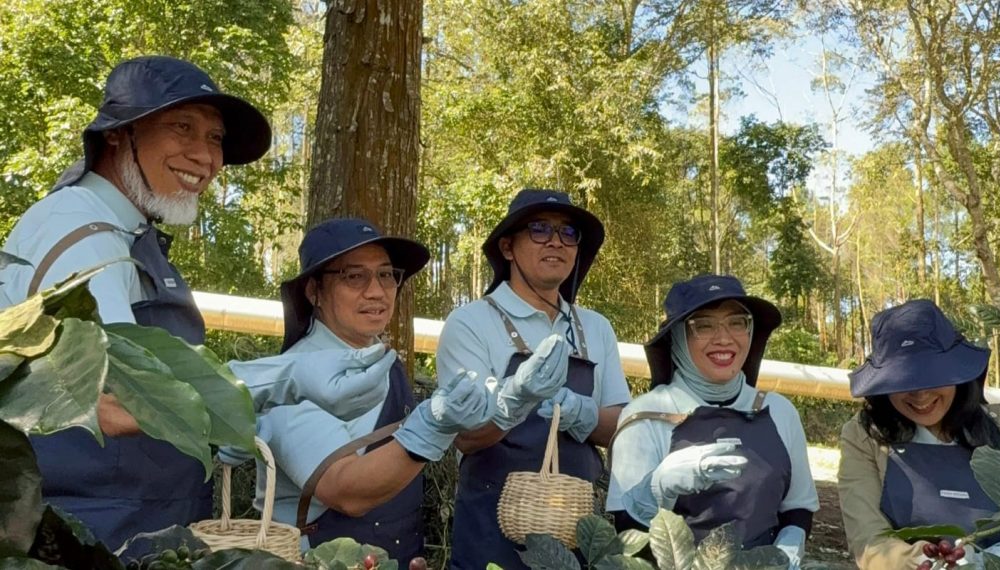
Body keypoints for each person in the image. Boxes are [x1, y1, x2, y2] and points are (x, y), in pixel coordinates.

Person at [0, 55, 271, 550]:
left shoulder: (123, 229)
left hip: (134, 526)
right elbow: (112, 398)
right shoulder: (81, 231)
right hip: (88, 536)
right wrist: (264, 385)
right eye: (181, 128)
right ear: (117, 134)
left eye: (214, 137)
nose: (206, 157)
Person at [222, 218, 520, 567]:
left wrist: (510, 401)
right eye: (354, 276)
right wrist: (432, 430)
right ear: (314, 291)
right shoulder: (291, 381)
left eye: (386, 275)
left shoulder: (383, 362)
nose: (377, 292)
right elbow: (346, 491)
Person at [435, 189, 632, 570]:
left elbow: (622, 431)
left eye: (568, 232)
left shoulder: (596, 328)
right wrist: (515, 399)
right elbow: (466, 436)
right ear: (507, 247)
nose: (556, 241)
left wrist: (584, 413)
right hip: (489, 535)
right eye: (539, 229)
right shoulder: (471, 322)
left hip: (576, 533)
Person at [838, 299, 1000, 569]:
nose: (920, 395)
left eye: (933, 377)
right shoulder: (865, 437)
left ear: (959, 374)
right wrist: (930, 563)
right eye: (903, 382)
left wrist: (997, 562)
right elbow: (869, 540)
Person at [607, 274, 818, 568]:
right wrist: (656, 489)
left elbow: (797, 507)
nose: (724, 338)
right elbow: (625, 536)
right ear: (677, 337)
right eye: (704, 325)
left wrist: (791, 543)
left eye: (737, 323)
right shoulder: (646, 416)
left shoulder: (780, 411)